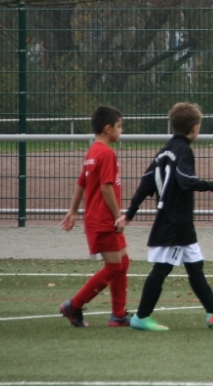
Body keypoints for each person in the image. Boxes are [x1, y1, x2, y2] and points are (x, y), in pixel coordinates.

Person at [116, 102, 213, 331]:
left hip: (179, 222)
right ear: (195, 128)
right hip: (174, 222)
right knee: (161, 269)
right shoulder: (183, 150)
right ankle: (141, 317)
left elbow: (145, 184)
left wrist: (129, 214)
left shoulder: (164, 151)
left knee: (195, 267)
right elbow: (186, 180)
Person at [59, 105, 131, 328]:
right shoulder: (106, 153)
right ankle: (74, 305)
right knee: (114, 267)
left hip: (99, 218)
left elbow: (82, 183)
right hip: (104, 220)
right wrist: (118, 216)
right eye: (119, 126)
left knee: (123, 262)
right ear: (108, 128)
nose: (121, 130)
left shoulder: (93, 151)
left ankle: (118, 314)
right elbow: (106, 187)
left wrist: (73, 211)